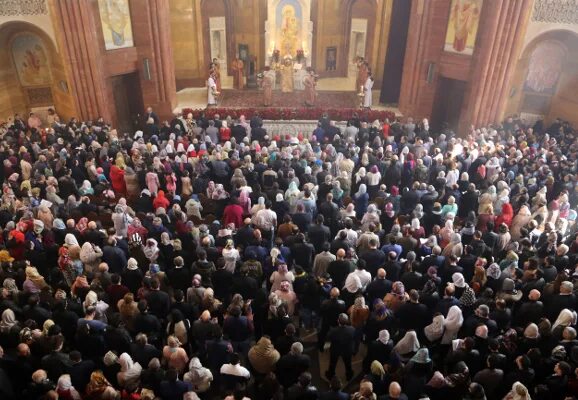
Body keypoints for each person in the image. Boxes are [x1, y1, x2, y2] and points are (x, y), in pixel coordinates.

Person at [326, 313, 355, 381]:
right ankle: (349, 375)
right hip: (347, 350)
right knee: (348, 364)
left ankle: (330, 375)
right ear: (347, 321)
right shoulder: (352, 329)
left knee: (332, 363)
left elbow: (328, 338)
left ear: (338, 321)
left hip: (335, 349)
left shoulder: (333, 330)